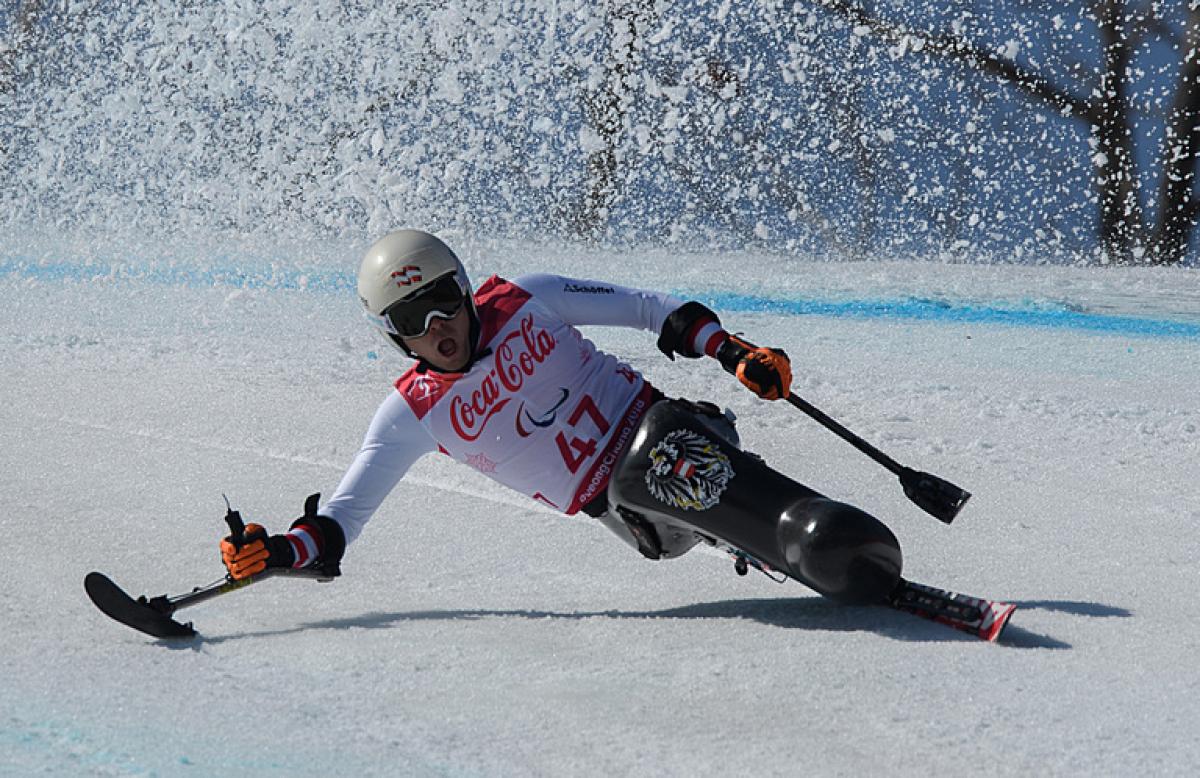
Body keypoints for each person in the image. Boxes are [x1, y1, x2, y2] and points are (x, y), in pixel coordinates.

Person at [220, 229, 793, 581]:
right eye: (411, 321)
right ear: (391, 338)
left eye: (443, 300)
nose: (437, 326)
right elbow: (340, 521)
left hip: (668, 427)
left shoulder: (527, 297)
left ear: (465, 289)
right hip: (632, 514)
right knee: (657, 503)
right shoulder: (411, 413)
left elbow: (651, 310)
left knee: (693, 440)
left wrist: (734, 352)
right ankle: (748, 534)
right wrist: (278, 553)